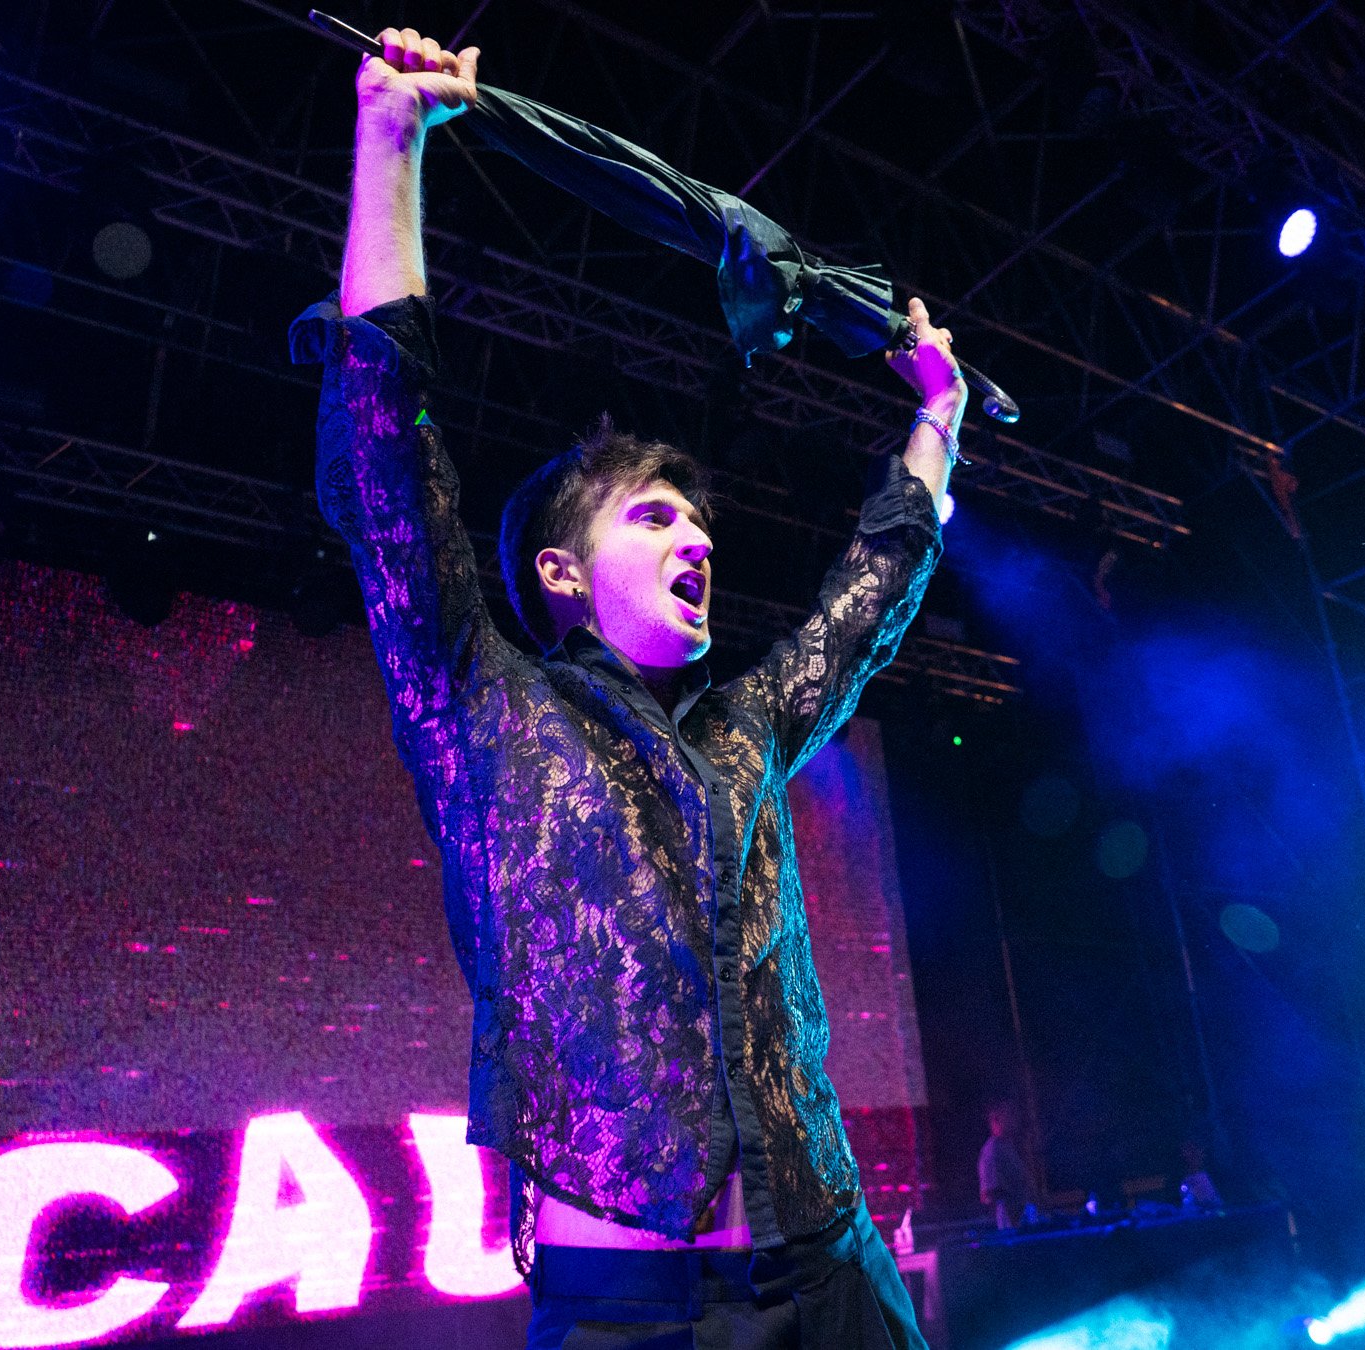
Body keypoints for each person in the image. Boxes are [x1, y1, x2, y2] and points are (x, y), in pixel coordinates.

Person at [289, 27, 964, 1350]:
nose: (696, 537)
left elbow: (869, 597)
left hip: (830, 1274)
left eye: (698, 520)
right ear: (560, 571)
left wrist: (936, 414)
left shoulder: (747, 726)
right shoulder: (485, 709)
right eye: (655, 516)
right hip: (629, 1315)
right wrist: (390, 141)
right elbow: (385, 459)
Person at [977, 1101, 1031, 1230]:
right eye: (1010, 1114)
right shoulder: (992, 1150)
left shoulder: (1007, 1146)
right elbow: (990, 1194)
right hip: (1010, 1225)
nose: (1015, 1119)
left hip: (1021, 1219)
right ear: (996, 1120)